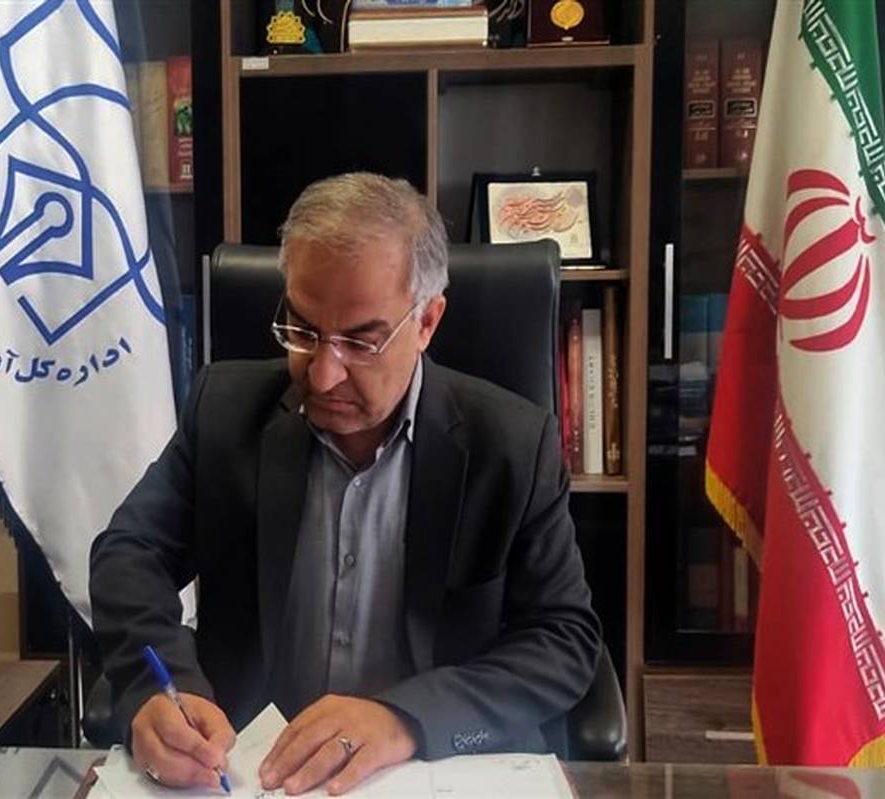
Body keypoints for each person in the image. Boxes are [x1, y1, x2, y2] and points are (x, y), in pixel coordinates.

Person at [90, 173, 600, 795]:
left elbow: (563, 641)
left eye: (361, 341)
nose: (324, 375)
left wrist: (405, 719)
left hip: (427, 776)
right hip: (252, 775)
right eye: (304, 331)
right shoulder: (224, 411)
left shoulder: (512, 446)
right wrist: (160, 687)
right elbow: (129, 553)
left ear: (427, 321)